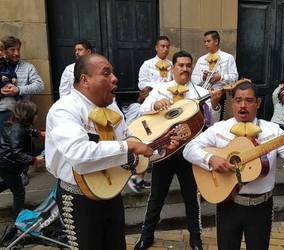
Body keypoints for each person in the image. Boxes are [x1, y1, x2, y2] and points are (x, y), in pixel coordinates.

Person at [45, 53, 180, 250]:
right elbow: (79, 155)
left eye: (113, 73)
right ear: (85, 80)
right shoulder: (64, 110)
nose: (115, 78)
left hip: (112, 194)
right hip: (78, 199)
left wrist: (159, 149)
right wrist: (130, 146)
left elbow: (127, 156)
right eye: (106, 73)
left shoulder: (114, 111)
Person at [183, 81, 284, 250]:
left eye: (249, 100)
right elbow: (189, 149)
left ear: (258, 103)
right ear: (232, 104)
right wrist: (210, 159)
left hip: (261, 206)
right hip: (228, 204)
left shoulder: (272, 132)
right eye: (238, 100)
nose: (243, 105)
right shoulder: (220, 129)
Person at [134, 50, 222, 250]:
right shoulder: (160, 88)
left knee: (192, 197)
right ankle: (146, 236)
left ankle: (196, 239)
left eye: (188, 65)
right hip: (164, 150)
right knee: (156, 196)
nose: (185, 69)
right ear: (172, 67)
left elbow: (211, 123)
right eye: (181, 65)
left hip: (189, 152)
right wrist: (155, 104)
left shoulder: (200, 91)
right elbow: (142, 109)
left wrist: (215, 104)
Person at [126, 36, 173, 193]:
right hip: (150, 103)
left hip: (165, 106)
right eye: (162, 46)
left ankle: (140, 178)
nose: (165, 49)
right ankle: (136, 176)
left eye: (167, 46)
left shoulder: (172, 65)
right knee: (147, 139)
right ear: (156, 47)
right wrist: (159, 87)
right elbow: (142, 83)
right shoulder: (147, 64)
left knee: (160, 140)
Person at [0, 100, 44, 216]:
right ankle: (18, 219)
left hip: (0, 161)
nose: (37, 116)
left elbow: (27, 131)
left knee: (10, 181)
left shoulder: (19, 125)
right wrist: (34, 160)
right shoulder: (17, 130)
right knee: (19, 191)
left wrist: (38, 133)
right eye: (35, 114)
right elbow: (17, 152)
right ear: (28, 116)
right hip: (4, 163)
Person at [0, 36, 44, 143]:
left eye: (18, 49)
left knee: (23, 148)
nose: (17, 53)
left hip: (23, 114)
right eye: (12, 50)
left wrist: (19, 89)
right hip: (2, 113)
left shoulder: (28, 67)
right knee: (2, 147)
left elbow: (40, 86)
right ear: (4, 51)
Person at [191, 31, 238, 120]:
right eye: (204, 41)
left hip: (219, 94)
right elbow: (193, 78)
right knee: (202, 120)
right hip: (203, 95)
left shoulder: (228, 57)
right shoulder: (201, 59)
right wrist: (203, 77)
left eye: (208, 41)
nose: (206, 44)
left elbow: (235, 77)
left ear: (216, 41)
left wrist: (220, 77)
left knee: (216, 119)